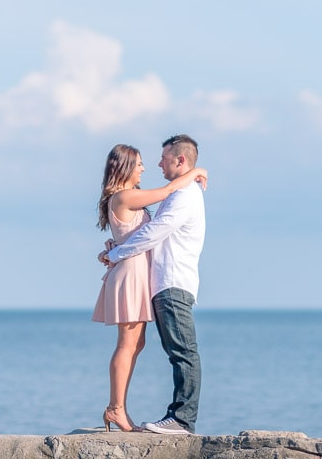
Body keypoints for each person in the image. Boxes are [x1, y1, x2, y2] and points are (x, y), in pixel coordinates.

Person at [92, 143, 208, 433]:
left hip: (138, 273)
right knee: (128, 344)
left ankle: (118, 408)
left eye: (156, 160)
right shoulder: (126, 195)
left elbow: (138, 231)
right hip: (131, 274)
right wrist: (196, 171)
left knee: (136, 344)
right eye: (140, 163)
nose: (147, 167)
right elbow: (167, 195)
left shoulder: (129, 197)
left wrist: (114, 248)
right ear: (126, 166)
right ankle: (116, 408)